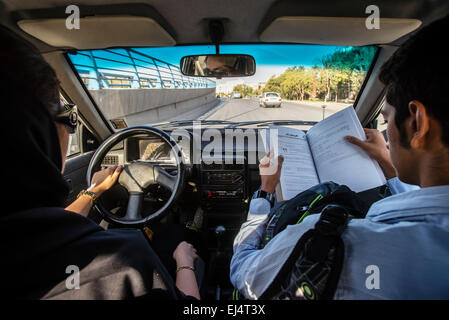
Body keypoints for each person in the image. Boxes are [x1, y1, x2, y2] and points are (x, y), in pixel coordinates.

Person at [230, 16, 449, 299]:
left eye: (386, 120)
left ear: (417, 123)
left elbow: (243, 270)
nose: (385, 134)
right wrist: (388, 165)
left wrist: (264, 193)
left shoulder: (329, 241)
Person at [0, 25, 200, 300]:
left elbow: (48, 231)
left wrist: (93, 192)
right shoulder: (123, 266)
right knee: (177, 236)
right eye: (70, 120)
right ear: (42, 131)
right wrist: (184, 261)